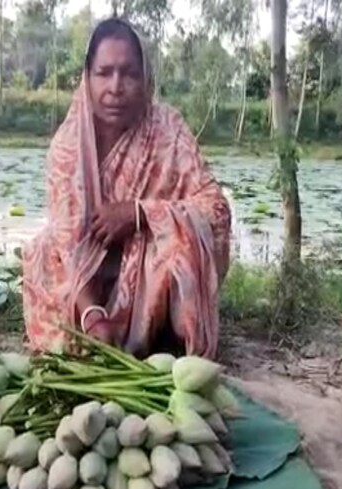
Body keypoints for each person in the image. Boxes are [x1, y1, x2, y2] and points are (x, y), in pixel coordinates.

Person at [21, 17, 231, 361]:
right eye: (104, 73)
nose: (116, 87)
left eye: (129, 73)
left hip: (148, 273)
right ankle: (93, 331)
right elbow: (68, 242)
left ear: (144, 78)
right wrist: (92, 315)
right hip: (86, 279)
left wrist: (139, 214)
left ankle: (164, 336)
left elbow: (215, 209)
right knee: (45, 249)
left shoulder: (167, 128)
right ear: (87, 78)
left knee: (179, 243)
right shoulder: (68, 146)